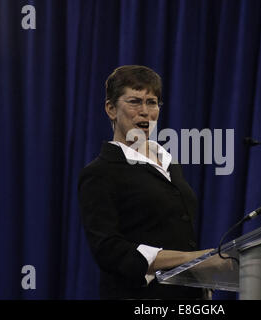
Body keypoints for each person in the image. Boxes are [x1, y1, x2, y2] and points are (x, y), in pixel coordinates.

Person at [78, 65, 212, 299]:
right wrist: (194, 260)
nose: (145, 111)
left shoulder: (169, 164)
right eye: (134, 102)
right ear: (111, 109)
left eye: (152, 102)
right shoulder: (100, 173)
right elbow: (110, 252)